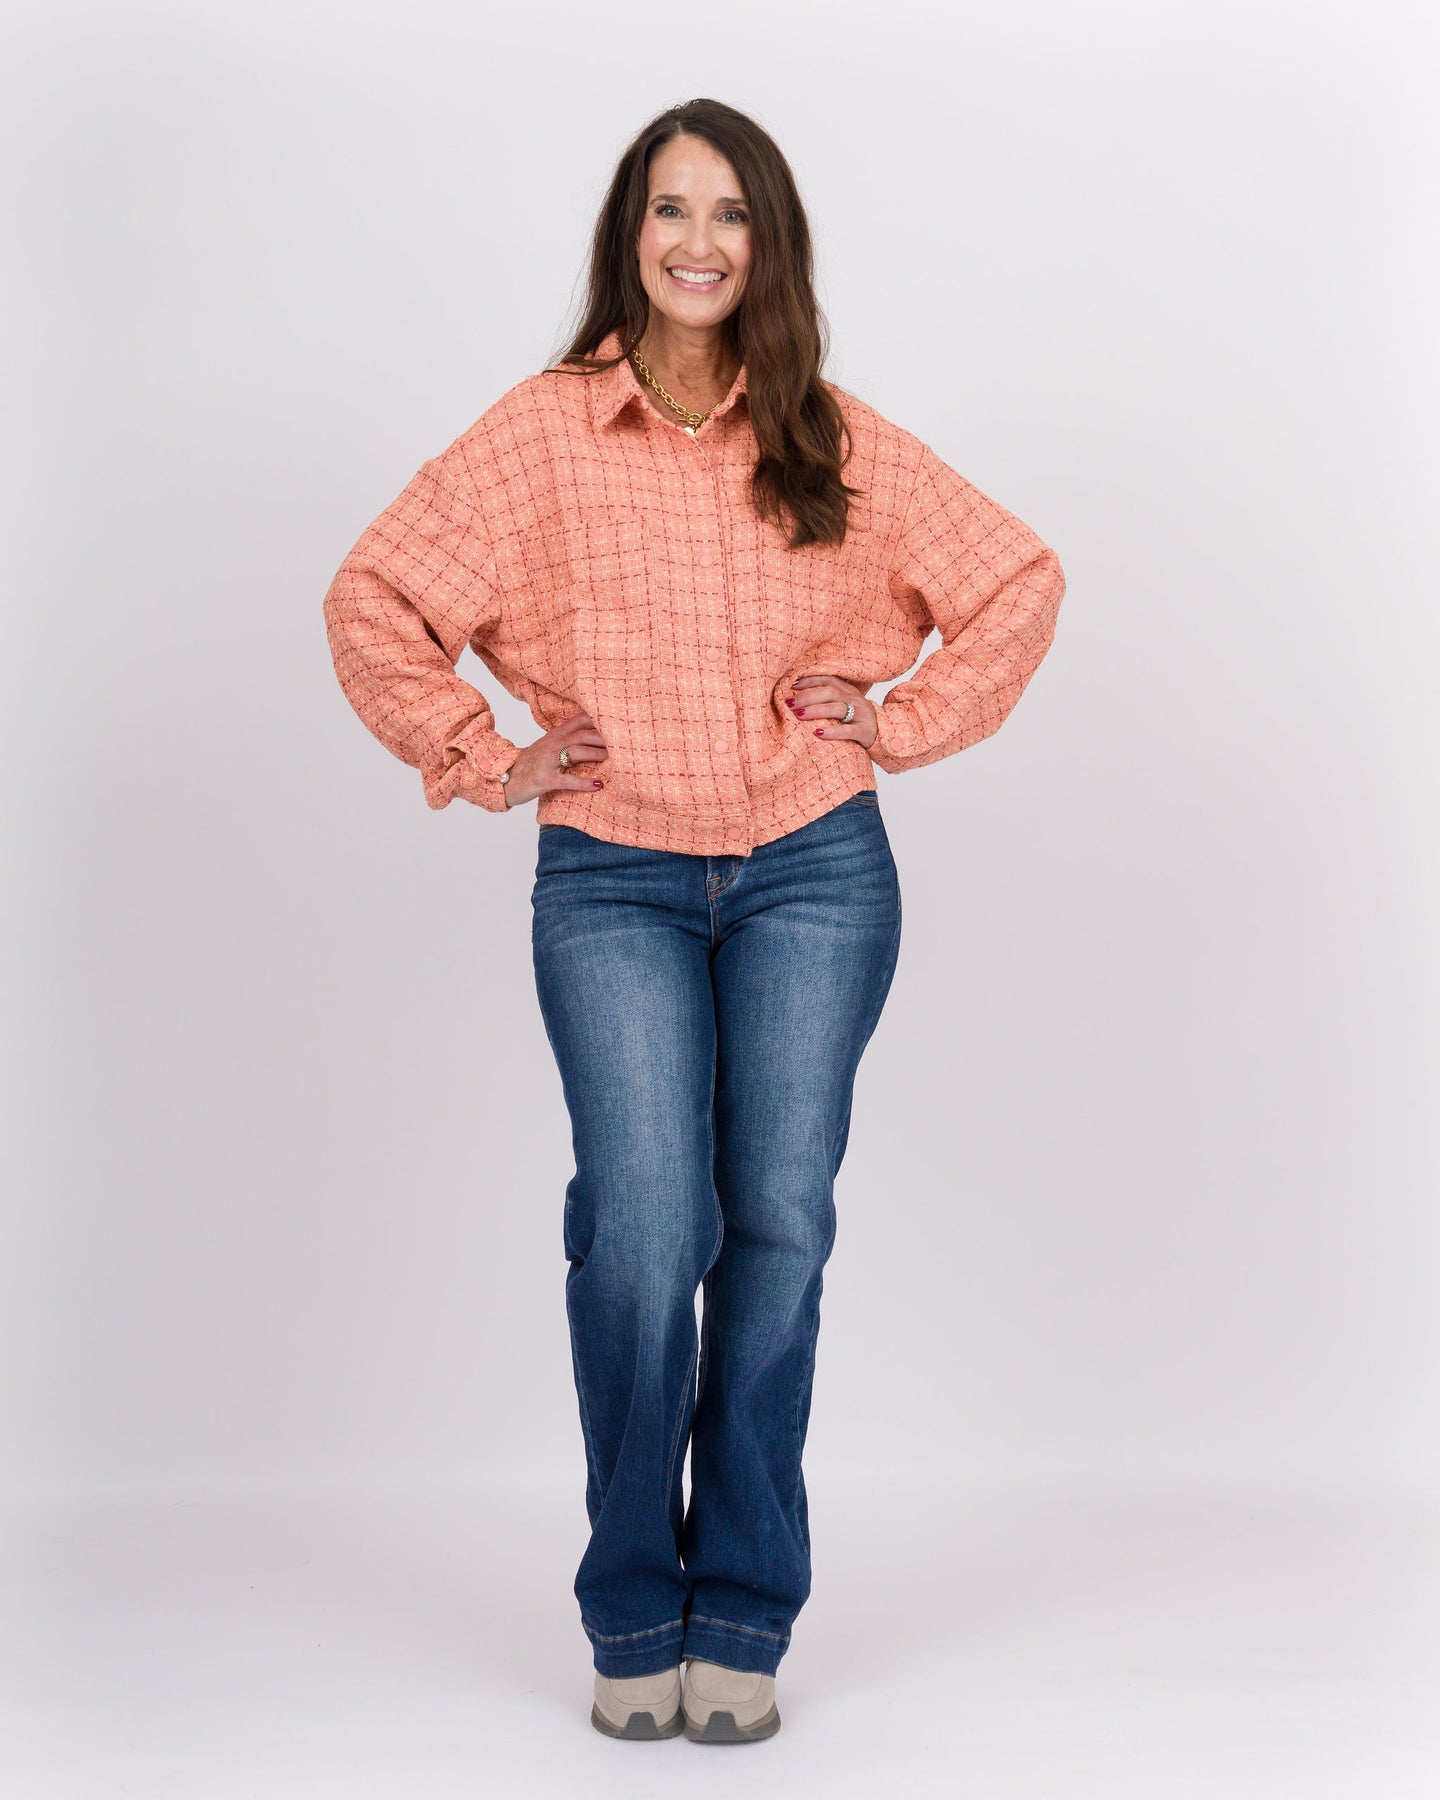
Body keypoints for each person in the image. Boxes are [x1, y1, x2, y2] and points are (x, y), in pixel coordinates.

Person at [322, 97, 1066, 1745]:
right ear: (630, 235)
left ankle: (740, 1607)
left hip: (814, 867)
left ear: (769, 245)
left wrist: (897, 723)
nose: (700, 242)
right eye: (672, 209)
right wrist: (484, 758)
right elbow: (372, 597)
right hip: (613, 875)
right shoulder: (539, 435)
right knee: (650, 1229)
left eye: (732, 214)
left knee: (778, 1222)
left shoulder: (830, 434)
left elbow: (1018, 580)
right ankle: (629, 1601)